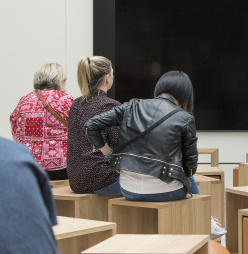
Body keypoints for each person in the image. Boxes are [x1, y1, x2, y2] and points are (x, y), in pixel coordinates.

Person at [85, 70, 203, 201]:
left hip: (128, 189)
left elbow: (91, 125)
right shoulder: (185, 117)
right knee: (188, 177)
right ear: (186, 94)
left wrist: (109, 155)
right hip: (167, 191)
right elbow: (191, 167)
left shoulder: (131, 106)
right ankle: (206, 220)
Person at [67, 56, 122, 196]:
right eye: (112, 73)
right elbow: (119, 147)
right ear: (107, 78)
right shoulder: (111, 106)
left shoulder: (75, 105)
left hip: (75, 180)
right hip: (103, 180)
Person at [10, 62, 74, 181]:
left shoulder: (24, 100)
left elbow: (14, 130)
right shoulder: (65, 99)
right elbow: (79, 129)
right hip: (61, 168)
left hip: (30, 166)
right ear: (59, 80)